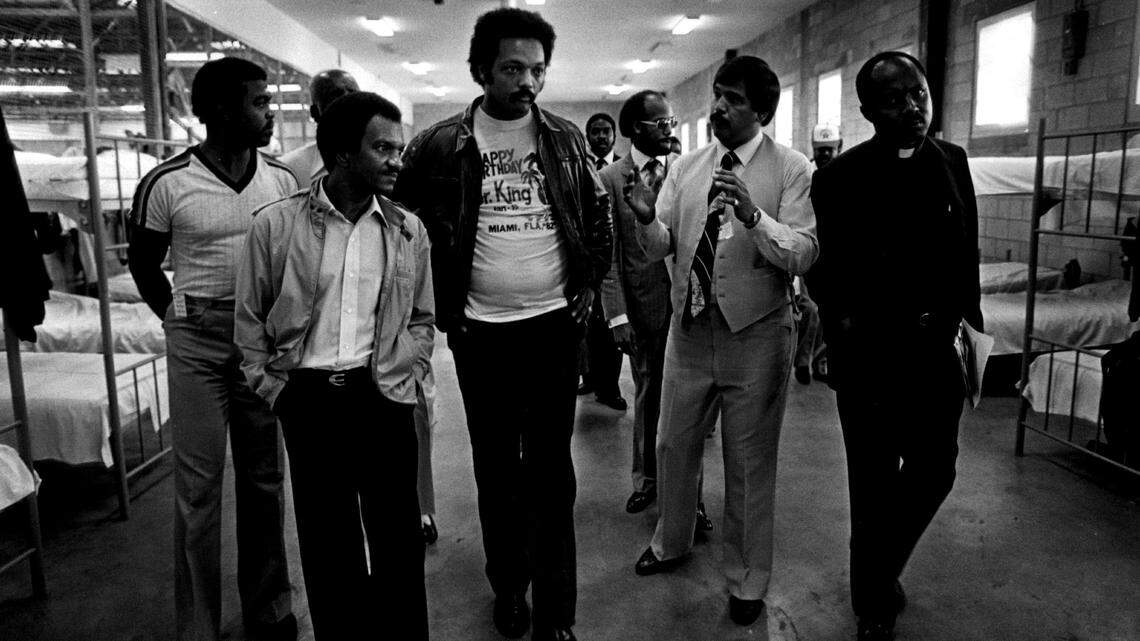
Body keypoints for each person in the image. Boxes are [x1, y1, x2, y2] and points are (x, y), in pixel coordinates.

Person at [394, 8, 611, 641]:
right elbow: (404, 233)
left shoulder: (567, 140)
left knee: (551, 473)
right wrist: (435, 312)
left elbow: (598, 220)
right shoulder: (438, 145)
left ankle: (558, 611)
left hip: (550, 331)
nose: (528, 82)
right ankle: (510, 587)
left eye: (538, 70)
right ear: (482, 70)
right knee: (495, 469)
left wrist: (590, 284)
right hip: (480, 333)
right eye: (513, 68)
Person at [625, 55, 817, 628]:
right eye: (716, 95)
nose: (719, 108)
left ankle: (747, 578)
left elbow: (803, 252)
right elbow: (662, 244)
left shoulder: (791, 169)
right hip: (690, 332)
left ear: (762, 110)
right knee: (673, 444)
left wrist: (754, 215)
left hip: (756, 337)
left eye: (733, 98)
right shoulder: (687, 167)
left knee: (749, 462)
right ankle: (672, 541)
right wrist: (643, 219)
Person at [234, 91, 432, 640]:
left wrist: (407, 372)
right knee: (328, 546)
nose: (398, 159)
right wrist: (278, 393)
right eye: (383, 148)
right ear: (344, 154)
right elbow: (249, 327)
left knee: (397, 542)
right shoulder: (275, 226)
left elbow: (422, 318)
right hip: (310, 400)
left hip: (383, 398)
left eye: (400, 147)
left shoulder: (407, 229)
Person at [810, 51, 982, 641]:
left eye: (920, 92)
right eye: (895, 99)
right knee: (874, 482)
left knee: (936, 470)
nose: (914, 106)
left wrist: (972, 328)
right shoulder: (840, 177)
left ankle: (880, 569)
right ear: (868, 112)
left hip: (936, 351)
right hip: (873, 360)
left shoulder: (952, 160)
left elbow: (968, 251)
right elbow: (828, 279)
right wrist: (841, 355)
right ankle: (872, 602)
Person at [126, 57, 298, 641]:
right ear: (223, 110)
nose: (269, 111)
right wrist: (177, 320)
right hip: (197, 340)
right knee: (197, 489)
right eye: (259, 102)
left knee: (263, 480)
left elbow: (293, 264)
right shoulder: (166, 183)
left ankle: (269, 607)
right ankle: (197, 624)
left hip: (259, 345)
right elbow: (145, 265)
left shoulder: (281, 182)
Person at [579, 111, 626, 410]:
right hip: (584, 257)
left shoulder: (623, 169)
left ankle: (609, 387)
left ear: (613, 135)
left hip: (613, 256)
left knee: (612, 322)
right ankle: (590, 379)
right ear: (588, 135)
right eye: (594, 131)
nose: (600, 136)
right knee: (585, 325)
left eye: (605, 131)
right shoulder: (578, 168)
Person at [279, 69, 359, 185]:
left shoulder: (386, 163)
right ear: (315, 112)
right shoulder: (288, 170)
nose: (349, 102)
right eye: (335, 96)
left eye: (354, 95)